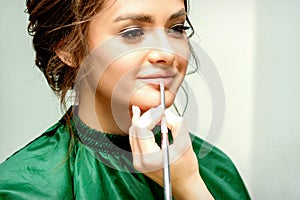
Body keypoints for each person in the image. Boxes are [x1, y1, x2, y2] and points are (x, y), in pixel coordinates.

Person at [0, 0, 251, 199]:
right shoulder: (25, 190)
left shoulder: (217, 172)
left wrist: (189, 187)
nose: (166, 53)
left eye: (176, 28)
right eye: (132, 33)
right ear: (67, 48)